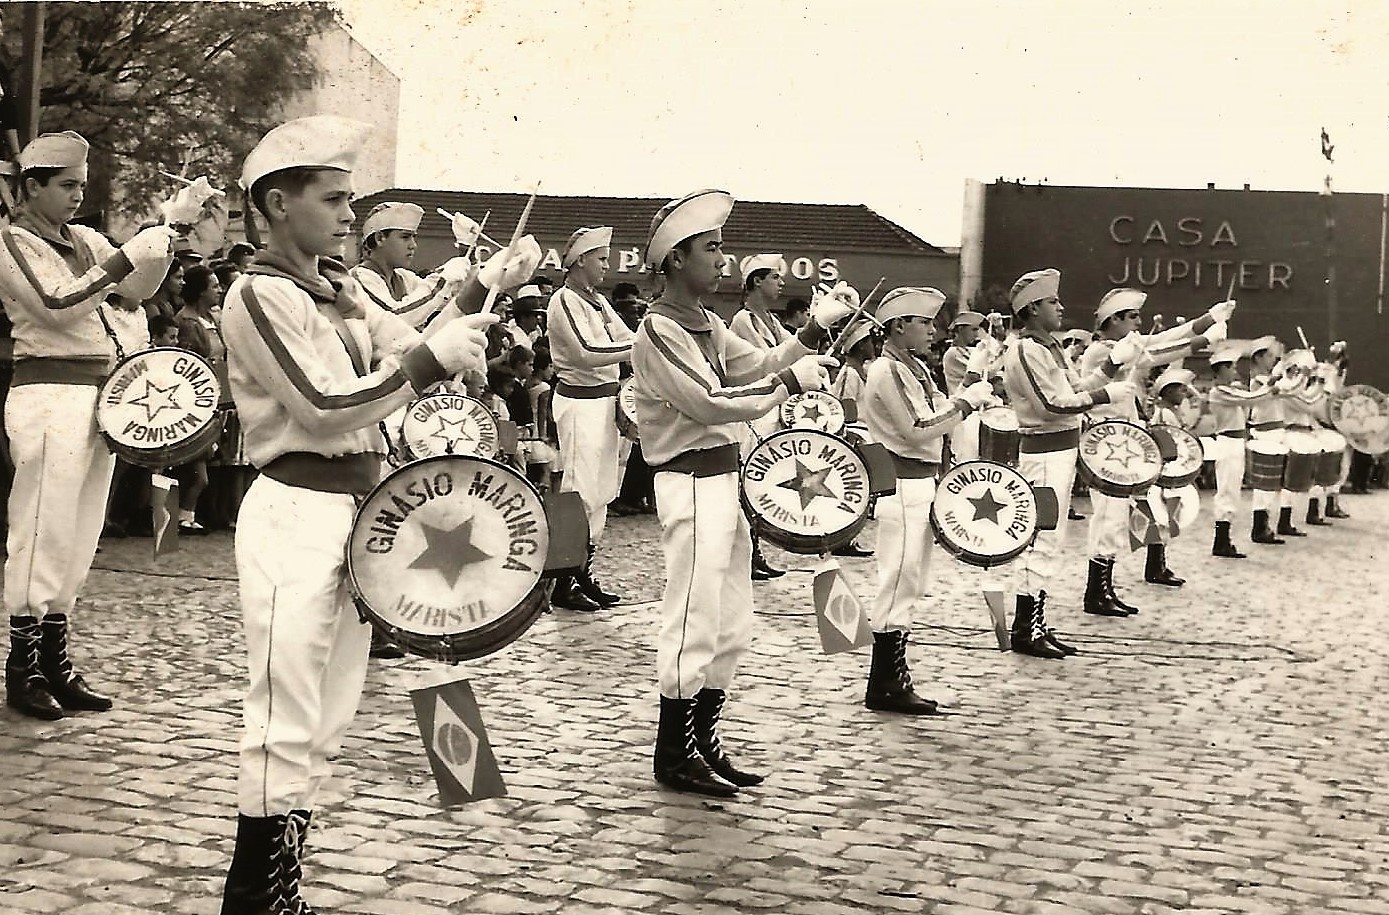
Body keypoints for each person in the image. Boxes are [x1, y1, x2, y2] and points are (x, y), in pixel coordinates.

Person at [216, 115, 538, 914]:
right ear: (277, 203)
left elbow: (411, 335)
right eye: (334, 198)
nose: (350, 214)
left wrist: (485, 283)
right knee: (283, 708)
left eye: (351, 198)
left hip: (359, 509)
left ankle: (283, 882)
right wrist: (430, 359)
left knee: (327, 714)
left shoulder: (342, 287)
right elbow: (323, 405)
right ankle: (253, 896)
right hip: (294, 506)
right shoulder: (259, 294)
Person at [631, 189, 852, 797]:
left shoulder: (708, 322)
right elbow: (706, 401)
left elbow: (753, 365)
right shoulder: (658, 329)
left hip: (721, 477)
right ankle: (672, 751)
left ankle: (703, 740)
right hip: (690, 478)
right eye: (712, 247)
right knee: (693, 613)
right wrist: (788, 383)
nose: (722, 259)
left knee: (731, 616)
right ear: (677, 259)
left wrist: (813, 331)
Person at [0, 130, 178, 719]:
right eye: (67, 185)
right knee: (43, 526)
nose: (78, 195)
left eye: (81, 184)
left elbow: (135, 292)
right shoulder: (11, 239)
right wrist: (131, 251)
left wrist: (165, 238)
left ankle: (55, 659)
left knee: (79, 533)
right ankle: (20, 664)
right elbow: (57, 303)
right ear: (32, 187)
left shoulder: (84, 238)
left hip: (101, 396)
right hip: (48, 393)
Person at [859, 288, 994, 714]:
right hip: (901, 483)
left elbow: (937, 415)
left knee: (910, 580)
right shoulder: (886, 369)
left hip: (920, 482)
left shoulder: (914, 367)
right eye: (926, 322)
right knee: (897, 579)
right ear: (900, 326)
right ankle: (884, 681)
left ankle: (892, 676)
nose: (934, 331)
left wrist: (970, 385)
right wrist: (965, 403)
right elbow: (918, 427)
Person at [999, 269, 1139, 659]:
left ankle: (1036, 621)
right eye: (1052, 302)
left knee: (1051, 538)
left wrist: (1111, 366)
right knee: (1039, 539)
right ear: (1031, 309)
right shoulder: (1027, 350)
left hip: (1058, 451)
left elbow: (1073, 387)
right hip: (1043, 453)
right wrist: (1105, 394)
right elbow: (1052, 404)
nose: (1060, 308)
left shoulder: (1047, 348)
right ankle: (1026, 626)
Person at [1075, 288, 1229, 616]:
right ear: (1112, 320)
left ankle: (1103, 588)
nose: (1138, 324)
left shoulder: (1123, 347)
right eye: (1132, 317)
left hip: (1123, 442)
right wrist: (1205, 328)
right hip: (1105, 443)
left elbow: (1160, 347)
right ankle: (1095, 591)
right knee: (1107, 517)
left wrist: (1207, 326)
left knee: (1116, 518)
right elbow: (1158, 348)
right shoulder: (1099, 352)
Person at [546, 226, 634, 612]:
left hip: (605, 401)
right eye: (601, 258)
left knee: (601, 492)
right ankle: (562, 581)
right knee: (578, 489)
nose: (606, 266)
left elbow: (626, 335)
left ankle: (582, 571)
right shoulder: (564, 300)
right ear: (580, 259)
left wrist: (643, 340)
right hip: (579, 402)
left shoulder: (596, 301)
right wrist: (642, 344)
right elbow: (587, 351)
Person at [729, 253, 793, 580]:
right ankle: (747, 552)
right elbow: (769, 363)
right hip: (752, 410)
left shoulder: (772, 320)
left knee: (761, 481)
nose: (781, 283)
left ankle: (754, 551)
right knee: (749, 481)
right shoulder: (744, 320)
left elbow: (792, 350)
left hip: (772, 409)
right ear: (757, 281)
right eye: (775, 277)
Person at [172, 264, 226, 535]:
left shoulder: (211, 320)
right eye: (214, 286)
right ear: (200, 291)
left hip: (215, 397)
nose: (219, 290)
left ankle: (190, 514)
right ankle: (178, 517)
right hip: (194, 399)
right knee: (193, 467)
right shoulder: (187, 323)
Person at [1205, 343, 1273, 557]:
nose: (1235, 371)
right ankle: (1221, 541)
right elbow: (1250, 399)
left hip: (1235, 442)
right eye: (1231, 367)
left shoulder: (1228, 390)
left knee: (1232, 492)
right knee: (1227, 492)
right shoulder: (1219, 392)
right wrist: (1269, 387)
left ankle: (1225, 539)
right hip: (1227, 443)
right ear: (1222, 369)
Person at [349, 201, 460, 329]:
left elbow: (443, 301)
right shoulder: (360, 278)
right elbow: (395, 319)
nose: (413, 245)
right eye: (405, 237)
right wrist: (443, 279)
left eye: (413, 237)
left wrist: (467, 249)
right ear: (379, 238)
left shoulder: (403, 277)